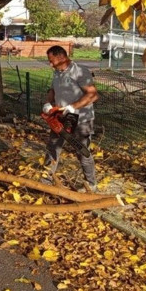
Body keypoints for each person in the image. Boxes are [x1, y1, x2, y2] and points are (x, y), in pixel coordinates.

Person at [41, 45, 99, 192]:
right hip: (61, 117)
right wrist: (48, 103)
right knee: (53, 146)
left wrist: (73, 107)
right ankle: (45, 180)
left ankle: (91, 184)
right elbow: (53, 90)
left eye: (51, 60)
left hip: (80, 118)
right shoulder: (57, 72)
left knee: (81, 151)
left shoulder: (80, 72)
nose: (50, 64)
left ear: (61, 57)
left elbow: (93, 95)